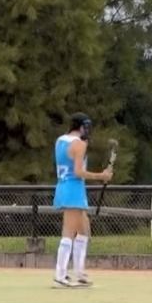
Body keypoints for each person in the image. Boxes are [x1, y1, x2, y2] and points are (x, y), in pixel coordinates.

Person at [52, 112, 113, 287]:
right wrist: (101, 176)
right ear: (81, 127)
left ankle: (79, 272)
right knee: (69, 231)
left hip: (65, 187)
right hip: (73, 189)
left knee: (84, 229)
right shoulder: (79, 144)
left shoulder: (60, 141)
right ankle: (60, 275)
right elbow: (78, 172)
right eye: (86, 127)